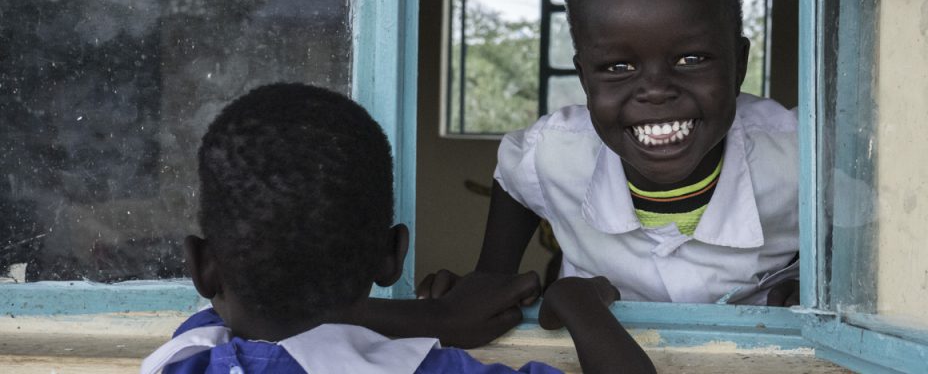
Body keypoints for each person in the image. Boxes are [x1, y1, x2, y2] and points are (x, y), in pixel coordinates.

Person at [142, 83, 655, 374]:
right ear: (393, 257)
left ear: (202, 268)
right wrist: (581, 306)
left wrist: (436, 318)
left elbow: (291, 320)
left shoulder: (187, 360)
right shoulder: (430, 372)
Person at [420, 0, 799, 306]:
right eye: (618, 67)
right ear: (584, 78)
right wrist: (491, 274)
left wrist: (820, 278)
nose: (655, 90)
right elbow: (514, 176)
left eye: (690, 59)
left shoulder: (799, 160)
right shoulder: (555, 151)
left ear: (739, 64)